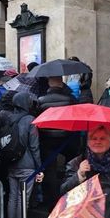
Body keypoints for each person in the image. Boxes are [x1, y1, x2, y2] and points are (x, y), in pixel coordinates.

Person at [5, 92, 43, 218]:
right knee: (23, 201)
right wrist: (39, 167)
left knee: (12, 199)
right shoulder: (30, 121)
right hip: (27, 166)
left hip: (11, 164)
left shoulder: (8, 118)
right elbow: (34, 147)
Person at [37, 77, 78, 210]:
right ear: (61, 83)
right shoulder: (70, 99)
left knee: (50, 172)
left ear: (49, 83)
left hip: (47, 139)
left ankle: (52, 203)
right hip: (67, 138)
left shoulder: (41, 100)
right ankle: (70, 199)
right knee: (72, 168)